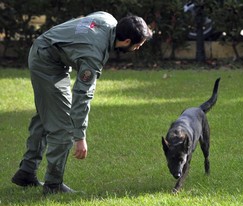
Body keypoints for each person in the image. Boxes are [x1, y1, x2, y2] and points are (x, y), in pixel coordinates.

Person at [11, 11, 152, 195]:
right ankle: (53, 185)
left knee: (47, 116)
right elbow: (82, 96)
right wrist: (79, 137)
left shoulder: (107, 18)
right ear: (126, 42)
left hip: (48, 51)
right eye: (138, 45)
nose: (138, 48)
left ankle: (26, 172)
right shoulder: (94, 54)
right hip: (46, 61)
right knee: (63, 126)